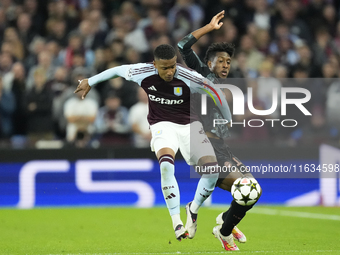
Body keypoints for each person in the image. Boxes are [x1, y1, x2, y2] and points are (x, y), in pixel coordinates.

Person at [74, 44, 232, 241]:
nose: (170, 71)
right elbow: (118, 70)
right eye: (165, 67)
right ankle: (176, 222)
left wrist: (228, 118)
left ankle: (193, 208)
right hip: (161, 125)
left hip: (189, 125)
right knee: (166, 166)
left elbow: (215, 92)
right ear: (155, 64)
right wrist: (91, 80)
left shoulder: (188, 76)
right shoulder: (142, 71)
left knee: (212, 171)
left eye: (173, 66)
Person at [178, 10, 261, 251]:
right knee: (246, 190)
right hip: (205, 146)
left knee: (253, 192)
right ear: (210, 62)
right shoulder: (202, 75)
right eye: (221, 61)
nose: (225, 65)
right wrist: (208, 27)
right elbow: (182, 45)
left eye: (228, 62)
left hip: (221, 147)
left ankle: (223, 225)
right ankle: (221, 231)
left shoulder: (227, 86)